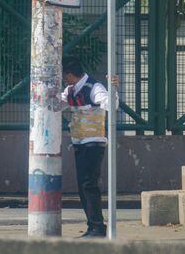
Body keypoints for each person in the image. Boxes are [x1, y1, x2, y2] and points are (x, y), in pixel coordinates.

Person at [61, 57, 118, 238]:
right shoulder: (70, 90)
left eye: (64, 76)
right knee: (83, 186)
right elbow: (57, 104)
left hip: (93, 143)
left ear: (69, 75)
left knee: (89, 185)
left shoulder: (94, 87)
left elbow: (111, 105)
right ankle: (93, 226)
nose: (63, 80)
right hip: (79, 143)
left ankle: (97, 228)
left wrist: (114, 89)